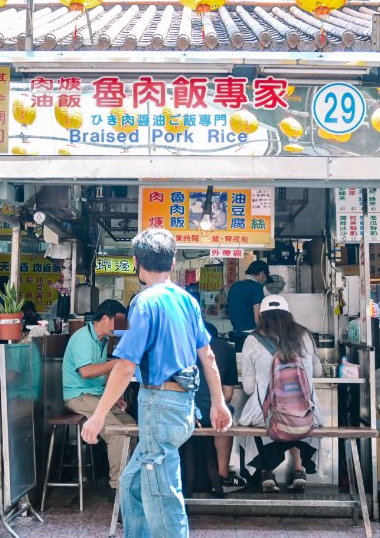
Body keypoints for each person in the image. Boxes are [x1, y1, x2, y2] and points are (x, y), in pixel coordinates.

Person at [80, 228, 232, 538]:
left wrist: (97, 416)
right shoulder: (186, 300)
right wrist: (218, 402)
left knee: (163, 498)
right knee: (132, 485)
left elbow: (125, 368)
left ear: (136, 262)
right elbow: (209, 357)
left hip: (160, 406)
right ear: (173, 260)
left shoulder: (144, 302)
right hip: (183, 406)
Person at [237, 294, 323, 493]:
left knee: (262, 417)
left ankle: (267, 473)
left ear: (261, 316)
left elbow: (249, 387)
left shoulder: (252, 340)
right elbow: (317, 372)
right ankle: (299, 470)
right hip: (307, 414)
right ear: (288, 314)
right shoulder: (305, 336)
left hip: (266, 415)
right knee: (295, 415)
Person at [62, 299, 134, 500]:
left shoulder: (103, 339)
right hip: (78, 396)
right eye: (119, 323)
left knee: (132, 427)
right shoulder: (82, 338)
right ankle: (117, 488)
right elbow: (86, 372)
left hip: (96, 395)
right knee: (117, 432)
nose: (121, 328)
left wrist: (116, 396)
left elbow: (102, 376)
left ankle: (129, 480)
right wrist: (116, 364)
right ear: (105, 319)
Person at [187, 321, 242, 496]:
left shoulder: (182, 347)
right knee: (226, 414)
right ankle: (223, 475)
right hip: (212, 412)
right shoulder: (226, 349)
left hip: (184, 411)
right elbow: (228, 395)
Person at [227, 260, 270, 351]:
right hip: (251, 337)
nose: (265, 280)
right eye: (266, 277)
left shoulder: (234, 286)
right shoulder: (256, 287)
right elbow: (257, 316)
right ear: (262, 274)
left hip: (236, 336)